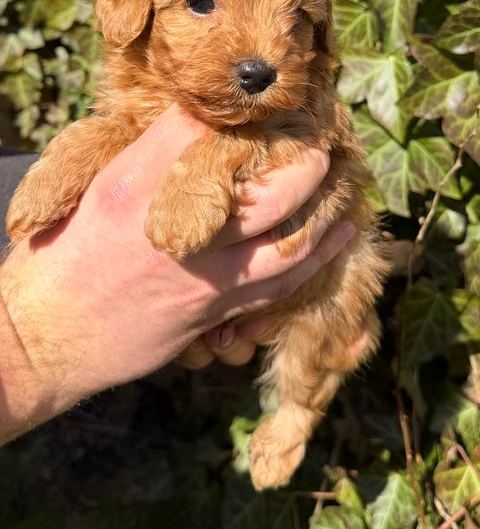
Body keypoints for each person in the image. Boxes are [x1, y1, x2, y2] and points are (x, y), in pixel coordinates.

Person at [0, 105, 355, 447]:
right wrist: (29, 345)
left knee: (317, 329)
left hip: (308, 286)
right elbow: (128, 125)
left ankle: (296, 413)